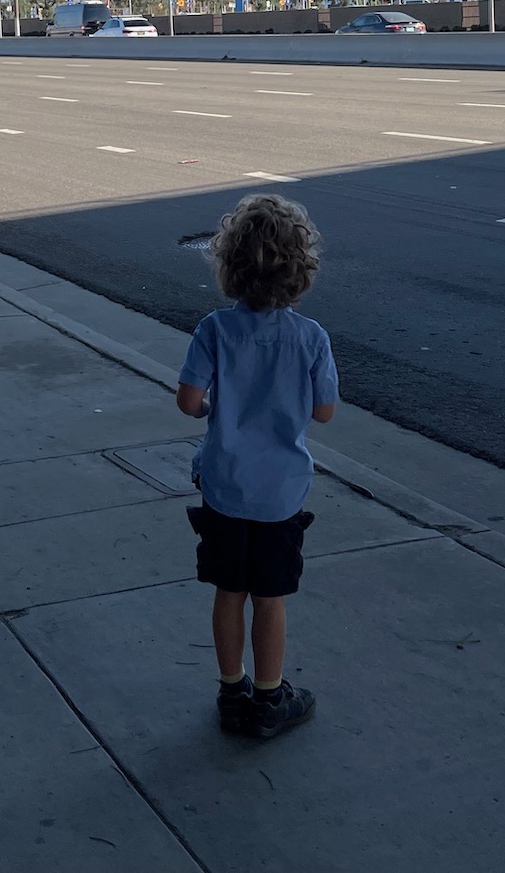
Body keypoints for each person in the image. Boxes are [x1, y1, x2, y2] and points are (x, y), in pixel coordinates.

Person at [177, 194, 338, 739]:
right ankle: (270, 698)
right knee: (270, 598)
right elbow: (324, 410)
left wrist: (210, 407)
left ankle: (231, 690)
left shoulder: (214, 329)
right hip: (281, 492)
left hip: (223, 484)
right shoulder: (312, 339)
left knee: (229, 591)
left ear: (228, 266)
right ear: (301, 270)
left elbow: (188, 400)